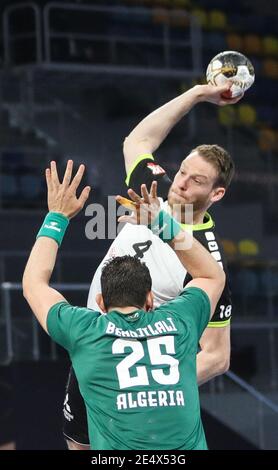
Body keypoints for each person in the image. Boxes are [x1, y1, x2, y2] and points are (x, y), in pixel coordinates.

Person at [63, 81, 242, 449]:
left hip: (135, 375)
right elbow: (137, 142)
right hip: (92, 345)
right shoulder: (153, 195)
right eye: (182, 173)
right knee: (78, 444)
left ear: (217, 194)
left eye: (198, 182)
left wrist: (155, 381)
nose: (181, 185)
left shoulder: (205, 258)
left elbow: (217, 356)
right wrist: (197, 94)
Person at [22, 160, 225, 450]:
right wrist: (161, 223)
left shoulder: (83, 330)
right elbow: (211, 273)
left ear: (101, 303)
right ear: (151, 299)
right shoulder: (180, 321)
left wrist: (57, 216)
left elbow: (33, 285)